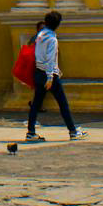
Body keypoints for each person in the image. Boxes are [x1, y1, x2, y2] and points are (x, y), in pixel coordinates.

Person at [24, 11, 85, 142]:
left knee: (36, 104)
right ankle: (73, 131)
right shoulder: (52, 39)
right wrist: (50, 77)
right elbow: (51, 59)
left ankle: (31, 132)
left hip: (38, 72)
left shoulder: (40, 35)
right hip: (48, 74)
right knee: (63, 104)